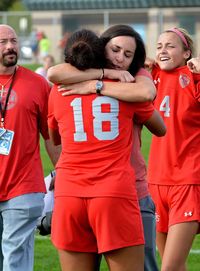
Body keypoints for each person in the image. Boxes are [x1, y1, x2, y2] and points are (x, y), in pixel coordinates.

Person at [48, 24, 165, 271]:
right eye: (115, 50)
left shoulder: (59, 91)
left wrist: (95, 85)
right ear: (102, 49)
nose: (120, 58)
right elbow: (160, 127)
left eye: (127, 54)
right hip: (114, 191)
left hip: (69, 192)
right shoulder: (129, 91)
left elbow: (54, 136)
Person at [0, 24, 60, 271]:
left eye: (13, 41)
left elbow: (51, 136)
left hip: (23, 186)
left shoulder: (37, 84)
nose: (10, 47)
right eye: (3, 42)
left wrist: (64, 174)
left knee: (15, 260)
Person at [146, 27, 200, 271]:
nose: (162, 51)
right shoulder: (149, 76)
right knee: (172, 266)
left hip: (187, 182)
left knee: (169, 268)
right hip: (155, 182)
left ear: (187, 52)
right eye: (159, 46)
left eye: (170, 46)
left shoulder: (194, 78)